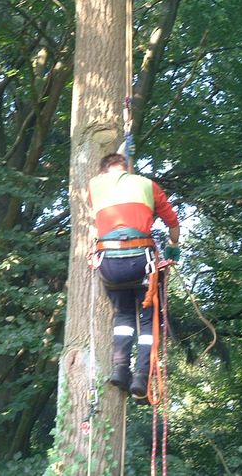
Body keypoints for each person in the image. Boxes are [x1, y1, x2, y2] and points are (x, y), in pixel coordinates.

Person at [88, 153, 180, 399]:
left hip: (109, 265)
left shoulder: (95, 186)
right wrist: (173, 248)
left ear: (103, 169)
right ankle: (141, 375)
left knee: (124, 316)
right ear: (127, 167)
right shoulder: (147, 185)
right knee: (148, 320)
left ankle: (120, 370)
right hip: (142, 264)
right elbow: (172, 222)